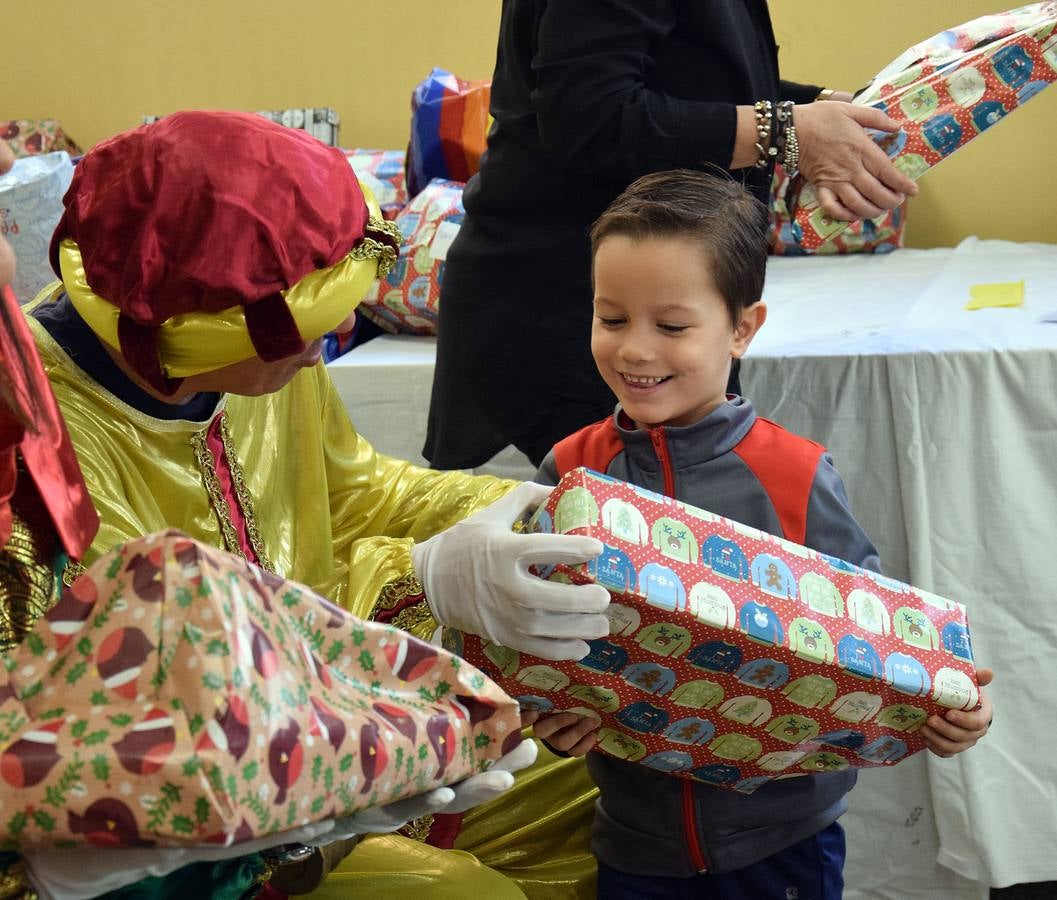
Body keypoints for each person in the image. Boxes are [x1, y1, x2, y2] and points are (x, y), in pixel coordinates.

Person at [22, 110, 613, 898]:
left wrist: (530, 506)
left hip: (349, 713)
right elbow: (187, 690)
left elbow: (357, 490)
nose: (329, 341)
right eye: (306, 329)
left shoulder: (253, 363)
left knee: (600, 783)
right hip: (215, 818)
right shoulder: (35, 443)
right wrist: (419, 580)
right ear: (198, 328)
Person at [527, 169, 993, 899]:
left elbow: (874, 639)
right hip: (632, 841)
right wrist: (545, 715)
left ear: (742, 327)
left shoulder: (795, 475)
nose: (635, 351)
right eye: (611, 319)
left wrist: (949, 702)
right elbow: (532, 639)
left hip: (783, 845)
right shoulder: (567, 469)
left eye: (672, 325)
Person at [424, 0, 919, 471]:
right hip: (563, 298)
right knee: (621, 538)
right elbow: (590, 116)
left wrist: (818, 111)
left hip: (641, 282)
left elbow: (695, 71)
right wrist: (788, 132)